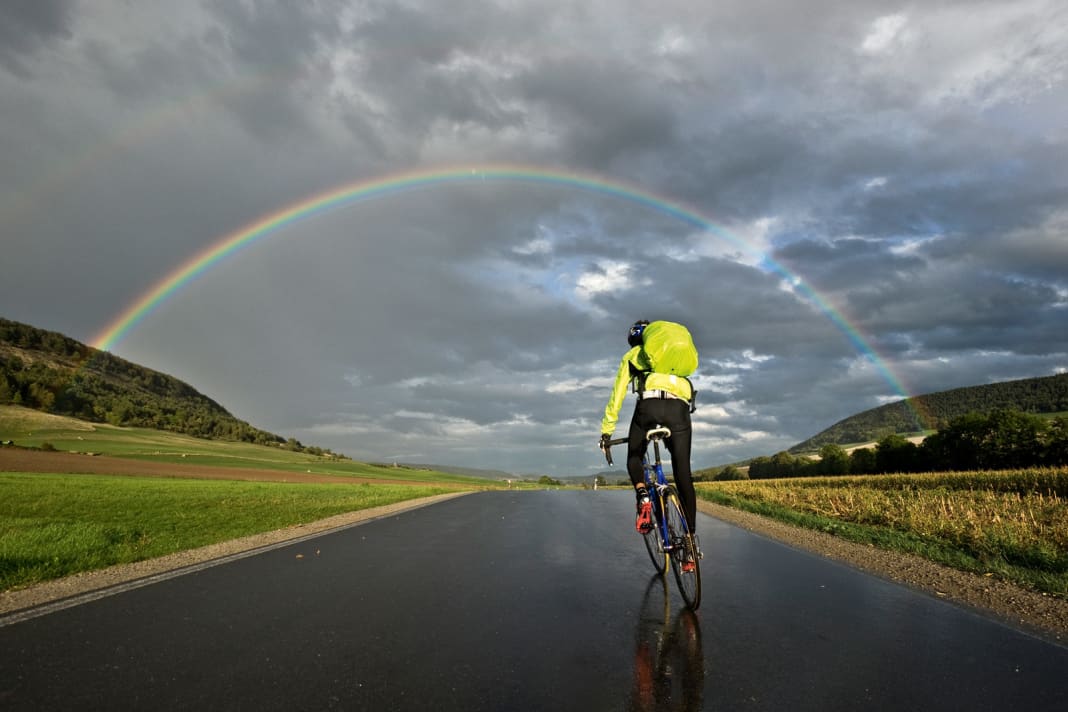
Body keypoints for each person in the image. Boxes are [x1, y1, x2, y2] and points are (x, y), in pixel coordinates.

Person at [600, 320, 698, 571]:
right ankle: (689, 546)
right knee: (683, 474)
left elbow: (618, 392)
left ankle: (643, 495)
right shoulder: (674, 360)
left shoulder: (634, 355)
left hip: (649, 408)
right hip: (679, 409)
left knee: (634, 456)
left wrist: (607, 431)